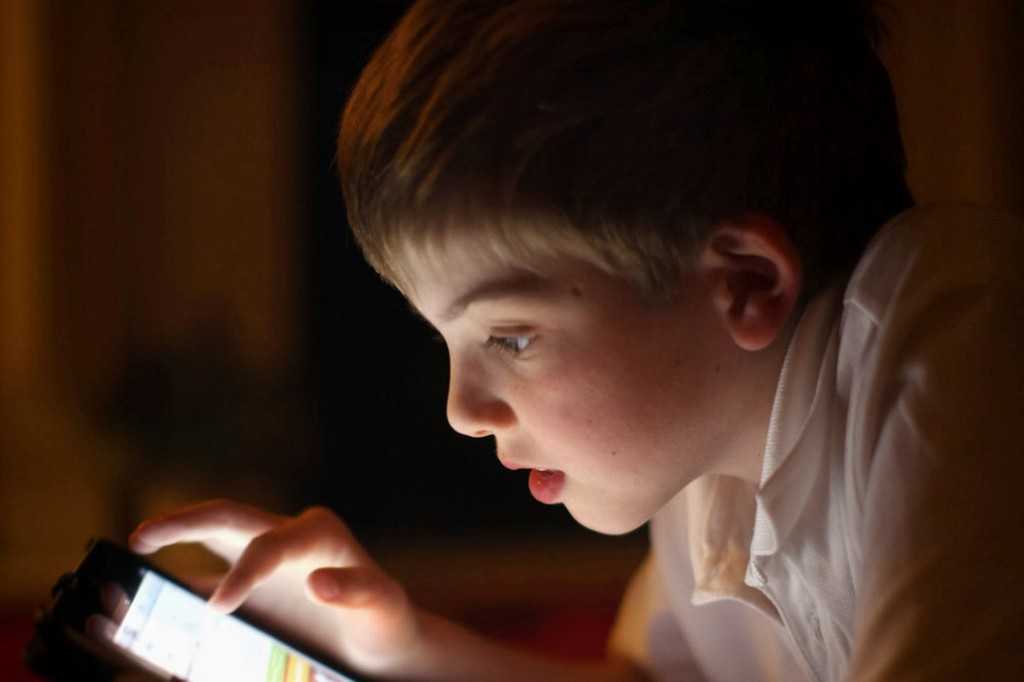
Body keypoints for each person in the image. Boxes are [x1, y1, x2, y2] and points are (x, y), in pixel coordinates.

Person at [129, 1, 1024, 679]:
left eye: (511, 336)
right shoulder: (707, 467)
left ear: (745, 284)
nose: (461, 413)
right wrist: (396, 645)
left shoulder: (956, 323)